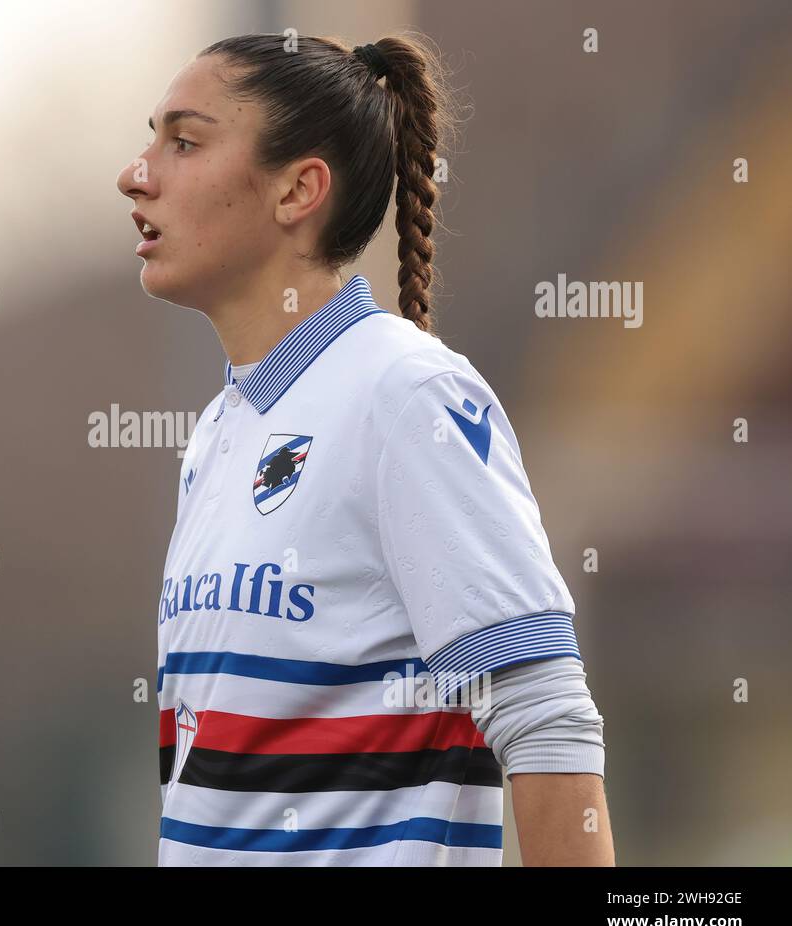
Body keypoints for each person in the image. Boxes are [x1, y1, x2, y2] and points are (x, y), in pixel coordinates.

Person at [116, 32, 613, 866]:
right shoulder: (215, 435)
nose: (137, 173)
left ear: (298, 189)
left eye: (185, 141)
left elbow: (544, 714)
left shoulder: (405, 392)